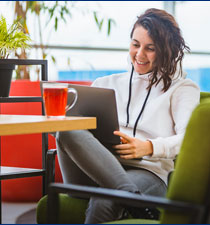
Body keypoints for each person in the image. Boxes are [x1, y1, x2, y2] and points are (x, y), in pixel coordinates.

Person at [56, 8, 200, 224]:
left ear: (166, 50)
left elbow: (188, 139)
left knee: (105, 199)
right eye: (135, 45)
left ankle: (123, 192)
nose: (140, 54)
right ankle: (132, 197)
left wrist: (148, 147)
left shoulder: (182, 88)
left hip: (146, 172)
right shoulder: (105, 84)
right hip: (91, 170)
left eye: (150, 49)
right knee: (66, 126)